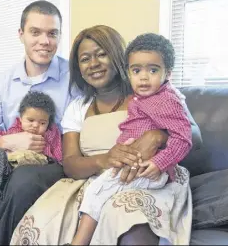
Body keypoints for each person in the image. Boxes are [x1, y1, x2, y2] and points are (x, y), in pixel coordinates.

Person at [10, 25, 201, 245]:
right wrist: (105, 159)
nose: (93, 64)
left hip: (149, 176)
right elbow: (70, 165)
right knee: (44, 220)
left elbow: (194, 136)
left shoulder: (151, 92)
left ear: (118, 57)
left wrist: (157, 136)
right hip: (98, 179)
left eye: (102, 54)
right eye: (85, 59)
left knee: (124, 216)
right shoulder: (78, 107)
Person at [0, 0, 74, 245]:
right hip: (8, 155)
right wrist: (6, 140)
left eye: (52, 33)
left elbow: (77, 132)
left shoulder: (73, 79)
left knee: (23, 179)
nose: (45, 41)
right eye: (35, 32)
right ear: (21, 35)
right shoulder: (3, 82)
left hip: (51, 158)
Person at [70, 33, 193, 245]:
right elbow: (70, 162)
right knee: (96, 193)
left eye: (153, 70)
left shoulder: (166, 99)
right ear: (129, 71)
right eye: (137, 70)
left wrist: (158, 153)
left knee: (100, 195)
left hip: (148, 169)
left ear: (168, 73)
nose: (144, 77)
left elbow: (186, 136)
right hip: (123, 166)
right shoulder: (140, 97)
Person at [0, 90, 62, 214]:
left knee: (22, 155)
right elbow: (6, 140)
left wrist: (56, 160)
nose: (36, 125)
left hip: (39, 161)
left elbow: (57, 150)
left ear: (48, 122)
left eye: (42, 123)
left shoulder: (51, 133)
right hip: (12, 162)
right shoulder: (15, 129)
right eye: (30, 120)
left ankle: (4, 171)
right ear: (20, 118)